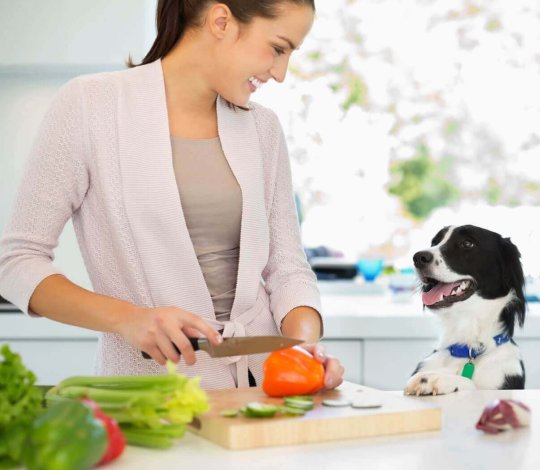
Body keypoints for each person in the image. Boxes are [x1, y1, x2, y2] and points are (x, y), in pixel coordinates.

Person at [0, 0, 344, 390]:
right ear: (220, 21)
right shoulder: (91, 106)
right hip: (151, 394)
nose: (281, 74)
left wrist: (302, 348)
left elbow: (287, 269)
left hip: (266, 387)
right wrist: (129, 319)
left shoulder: (262, 129)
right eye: (279, 48)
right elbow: (16, 263)